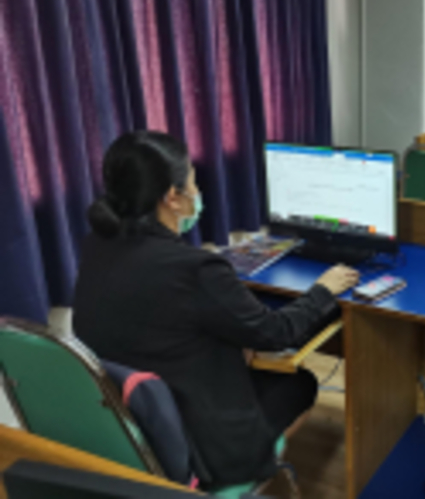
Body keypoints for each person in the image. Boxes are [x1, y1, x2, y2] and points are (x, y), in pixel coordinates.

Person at [73, 131, 360, 490]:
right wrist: (323, 291)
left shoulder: (96, 247)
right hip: (208, 449)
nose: (198, 192)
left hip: (131, 433)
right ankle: (259, 467)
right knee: (300, 383)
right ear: (172, 198)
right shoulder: (195, 269)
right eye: (193, 182)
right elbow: (277, 333)